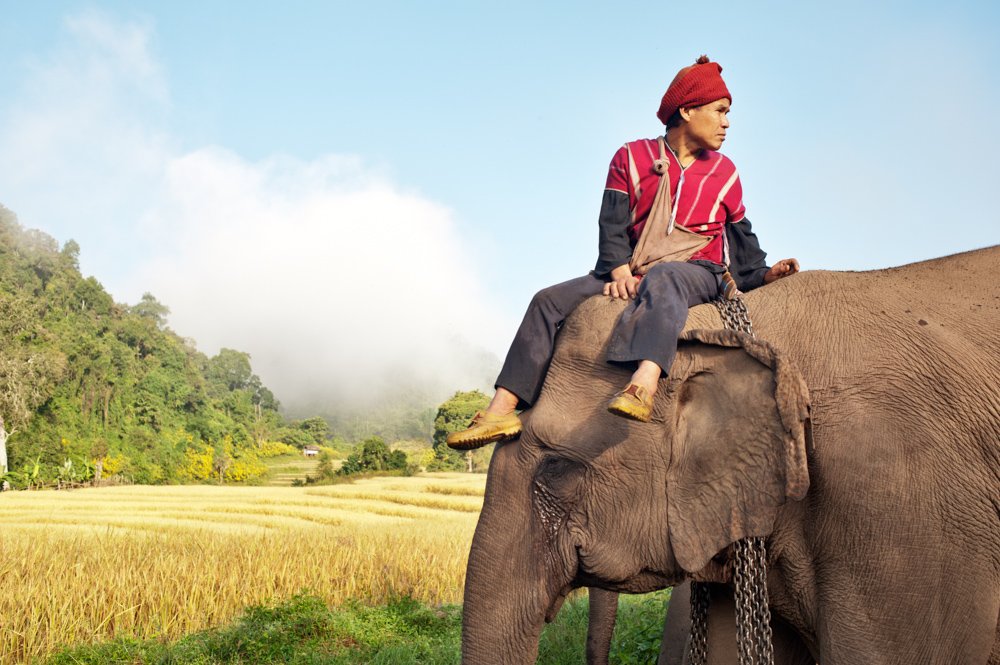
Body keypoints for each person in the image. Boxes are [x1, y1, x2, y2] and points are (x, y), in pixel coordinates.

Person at [447, 55, 799, 450]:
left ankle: (643, 382)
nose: (726, 123)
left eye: (727, 113)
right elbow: (612, 224)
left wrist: (765, 275)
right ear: (687, 110)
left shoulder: (725, 172)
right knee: (545, 301)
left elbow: (743, 245)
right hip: (629, 266)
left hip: (695, 271)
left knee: (667, 277)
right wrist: (617, 271)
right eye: (719, 111)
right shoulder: (630, 158)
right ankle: (501, 410)